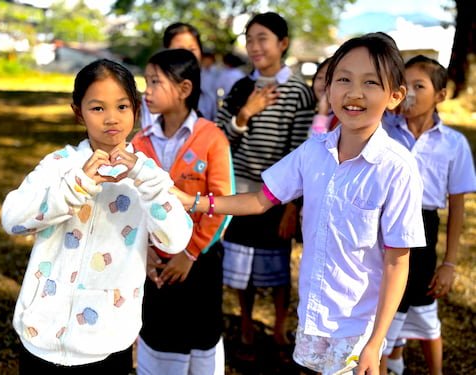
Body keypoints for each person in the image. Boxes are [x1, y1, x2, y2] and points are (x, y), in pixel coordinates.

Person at [175, 32, 428, 375]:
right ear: (326, 87)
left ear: (394, 95)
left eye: (371, 82)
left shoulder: (397, 168)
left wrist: (375, 342)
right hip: (313, 314)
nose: (354, 93)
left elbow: (398, 263)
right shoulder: (314, 151)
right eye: (343, 79)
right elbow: (260, 200)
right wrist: (194, 201)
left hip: (360, 328)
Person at [1, 59, 192, 374]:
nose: (111, 119)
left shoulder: (147, 175)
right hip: (40, 337)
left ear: (136, 109)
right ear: (78, 112)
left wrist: (147, 182)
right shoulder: (59, 165)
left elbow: (176, 239)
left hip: (106, 344)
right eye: (97, 108)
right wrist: (75, 187)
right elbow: (13, 219)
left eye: (121, 106)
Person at [214, 11, 316, 362]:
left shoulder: (299, 93)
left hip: (278, 196)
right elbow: (220, 139)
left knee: (277, 266)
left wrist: (292, 205)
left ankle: (278, 327)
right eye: (249, 39)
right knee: (241, 267)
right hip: (239, 191)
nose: (254, 47)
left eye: (263, 39)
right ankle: (244, 322)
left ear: (283, 43)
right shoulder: (241, 87)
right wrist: (245, 114)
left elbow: (301, 150)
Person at [131, 48, 234, 375]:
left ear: (184, 89)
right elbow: (131, 204)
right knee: (158, 336)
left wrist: (188, 254)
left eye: (155, 82)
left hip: (199, 260)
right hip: (154, 263)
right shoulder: (140, 141)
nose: (146, 91)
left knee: (200, 337)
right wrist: (146, 251)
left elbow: (222, 205)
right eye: (146, 82)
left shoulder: (212, 138)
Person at [381, 55, 476, 375]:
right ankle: (389, 359)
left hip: (424, 228)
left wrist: (449, 263)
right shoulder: (382, 130)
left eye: (419, 86)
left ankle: (403, 361)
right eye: (404, 85)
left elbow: (458, 207)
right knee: (383, 307)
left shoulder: (454, 144)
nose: (408, 92)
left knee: (418, 304)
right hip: (382, 224)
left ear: (440, 95)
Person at [308, 57, 339, 136]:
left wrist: (322, 114)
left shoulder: (340, 118)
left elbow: (316, 144)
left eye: (330, 78)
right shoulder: (310, 109)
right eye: (320, 77)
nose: (324, 83)